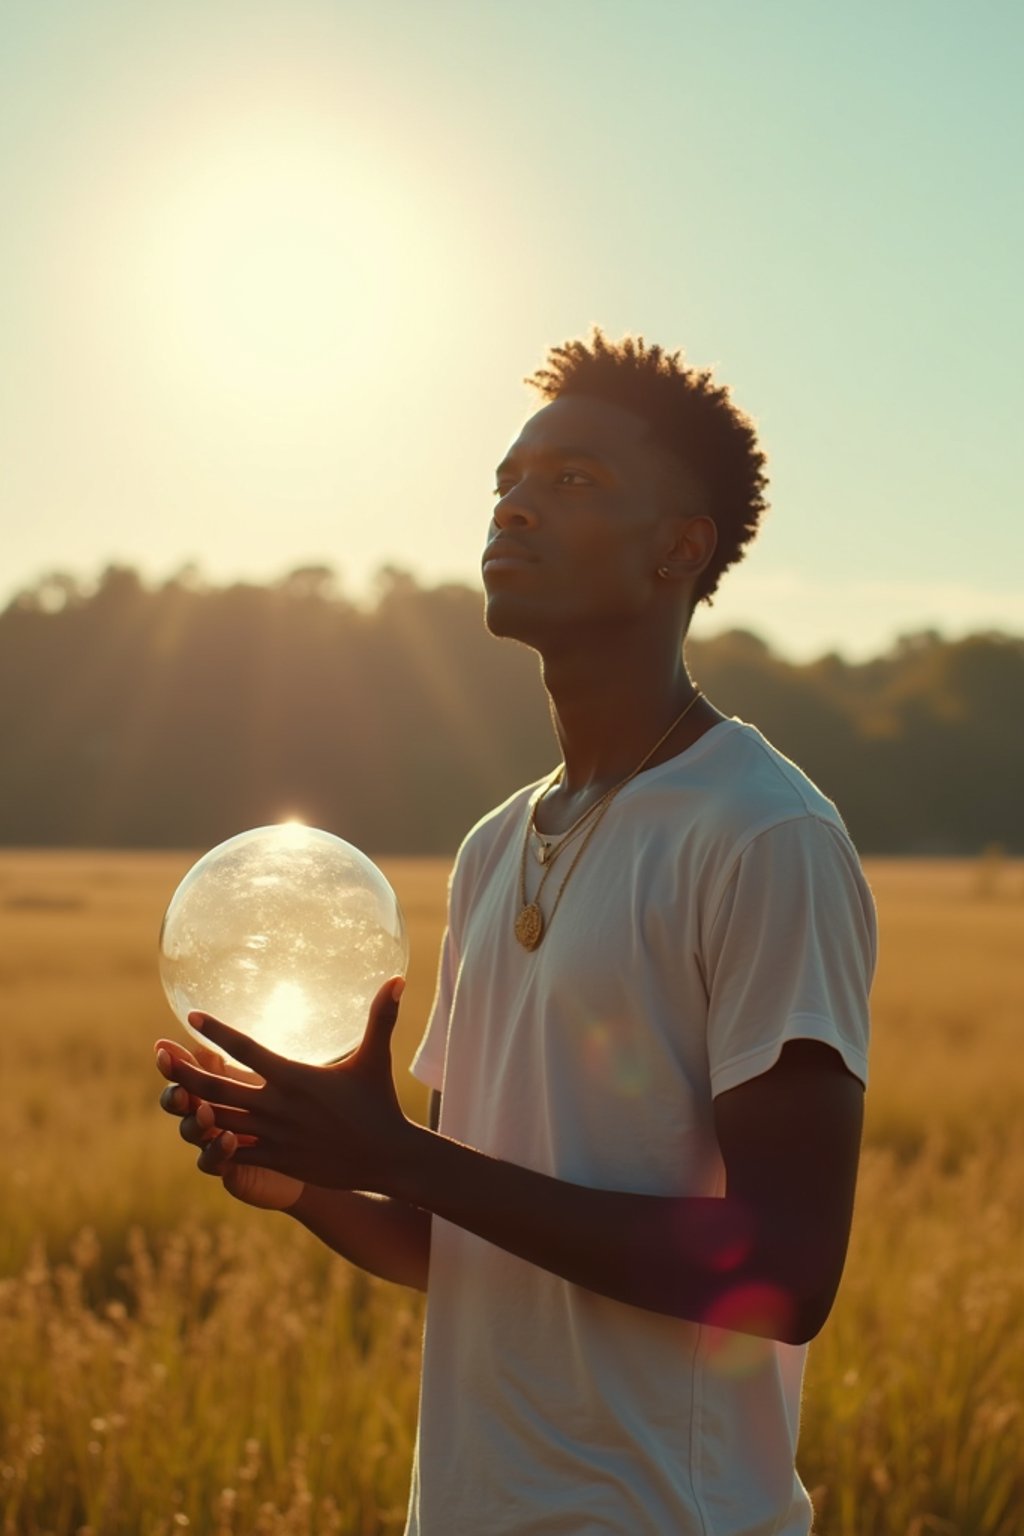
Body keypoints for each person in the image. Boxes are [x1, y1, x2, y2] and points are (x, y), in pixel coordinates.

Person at [157, 330, 876, 1535]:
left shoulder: (764, 836)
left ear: (678, 550)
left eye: (572, 483)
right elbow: (457, 1245)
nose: (515, 511)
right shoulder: (499, 844)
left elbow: (787, 1273)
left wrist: (393, 1152)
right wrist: (308, 1181)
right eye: (506, 483)